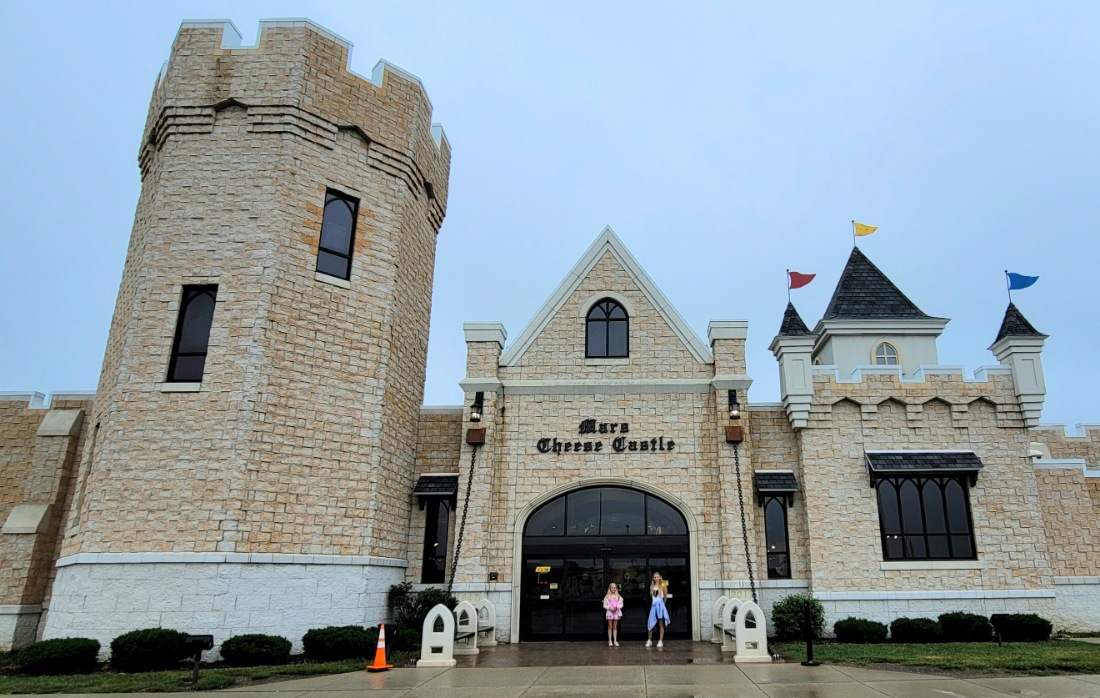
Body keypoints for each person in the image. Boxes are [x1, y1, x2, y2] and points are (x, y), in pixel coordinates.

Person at [646, 572, 670, 647]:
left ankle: (660, 641)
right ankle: (649, 640)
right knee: (650, 622)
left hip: (660, 606)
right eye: (655, 577)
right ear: (653, 578)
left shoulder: (663, 585)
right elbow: (652, 597)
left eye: (657, 577)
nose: (656, 578)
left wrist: (663, 605)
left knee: (661, 623)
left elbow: (665, 597)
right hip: (653, 607)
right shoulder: (651, 586)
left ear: (660, 577)